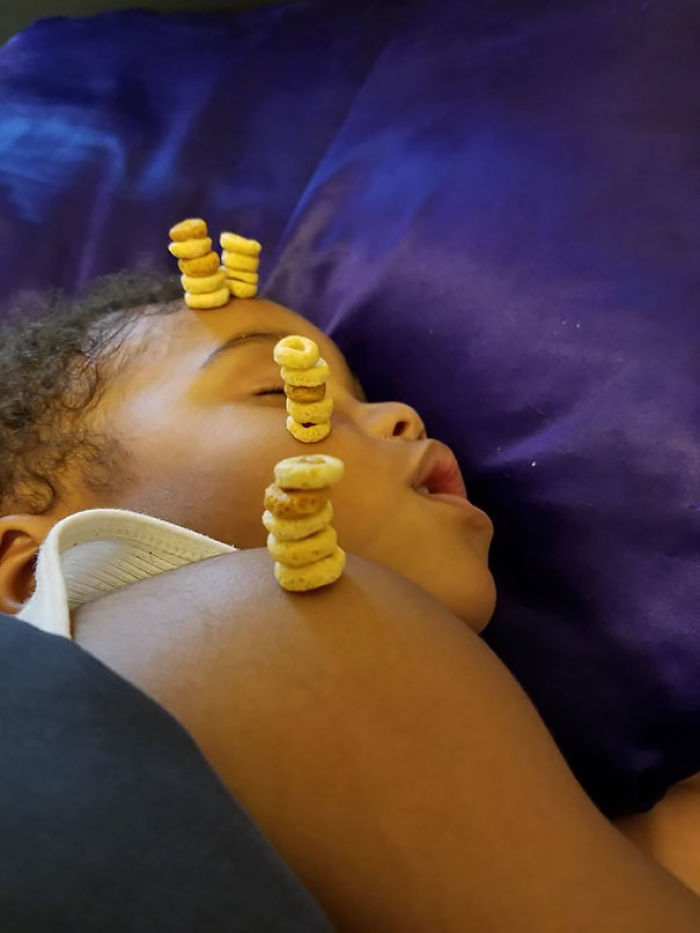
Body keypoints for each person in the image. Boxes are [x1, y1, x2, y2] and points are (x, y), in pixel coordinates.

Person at [0, 272, 698, 931]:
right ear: (24, 570)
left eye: (359, 390)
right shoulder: (258, 612)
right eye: (282, 391)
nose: (400, 415)